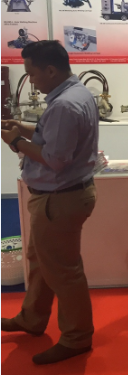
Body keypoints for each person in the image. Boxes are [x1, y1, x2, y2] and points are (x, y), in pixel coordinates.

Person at [0, 41, 98, 365]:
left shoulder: (64, 105)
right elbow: (53, 136)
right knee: (42, 262)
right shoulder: (76, 94)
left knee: (63, 272)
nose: (31, 80)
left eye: (32, 74)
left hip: (59, 199)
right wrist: (24, 129)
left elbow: (55, 159)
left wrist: (16, 141)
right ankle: (32, 317)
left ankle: (77, 338)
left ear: (51, 70)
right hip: (60, 197)